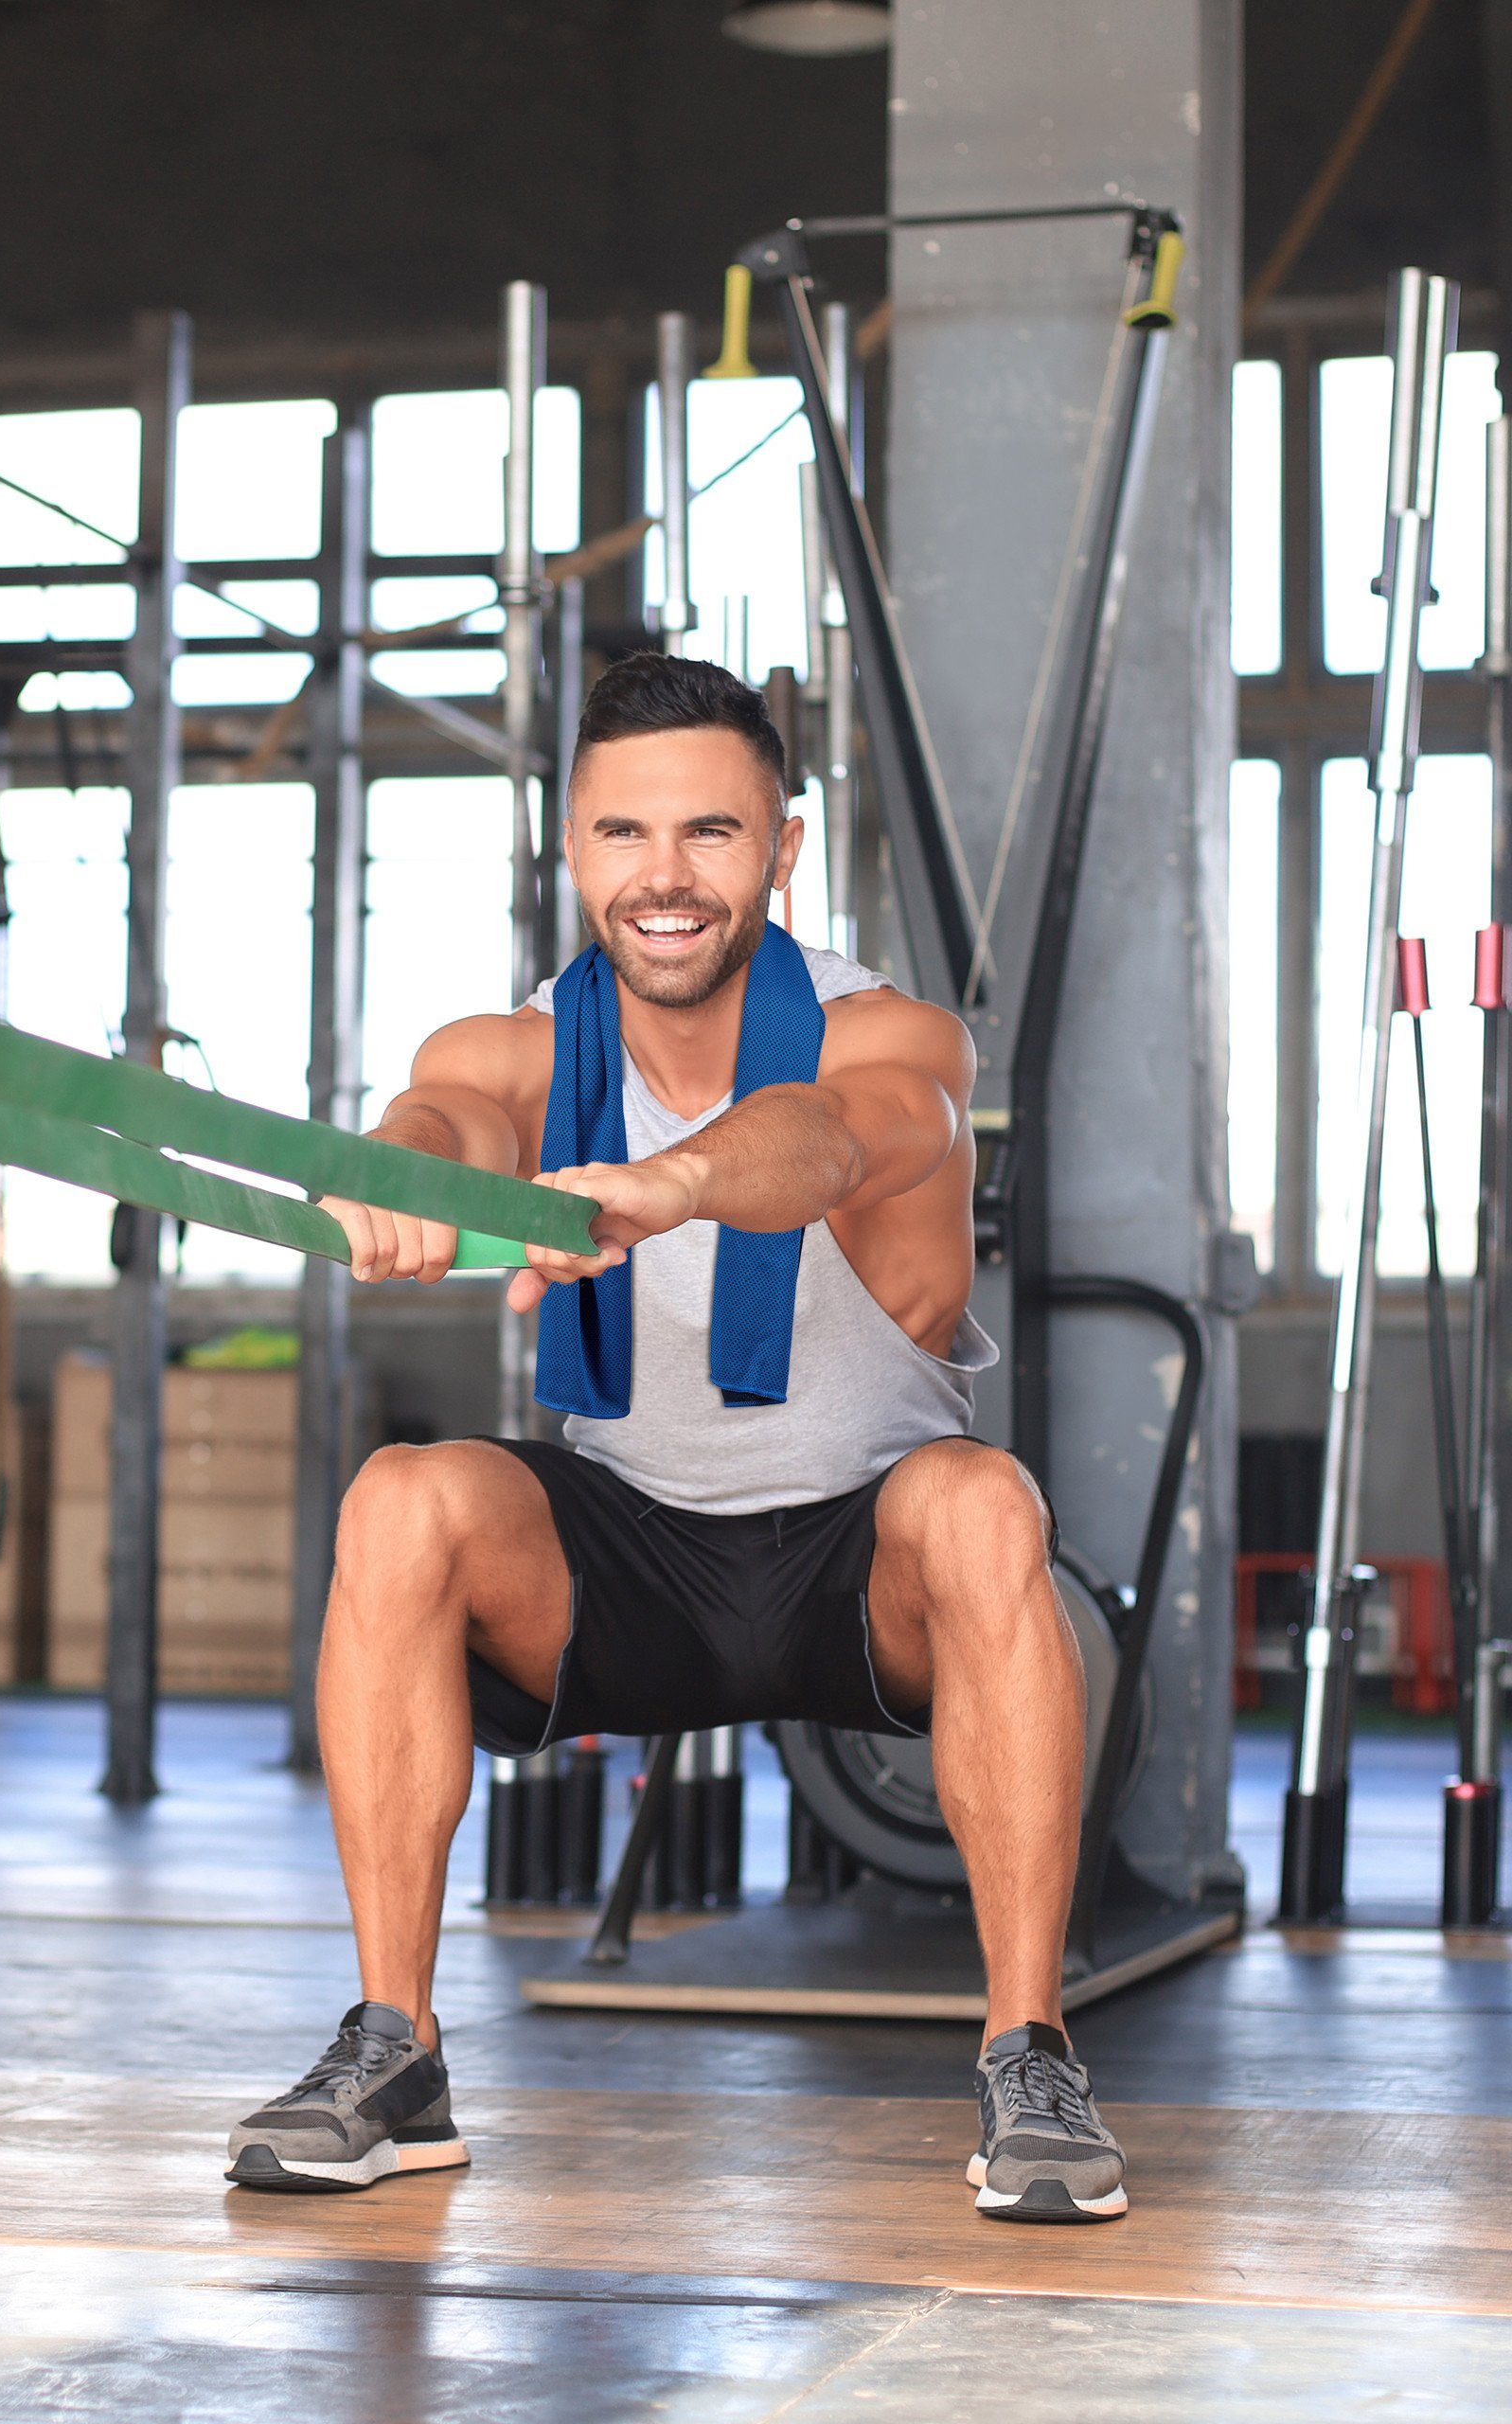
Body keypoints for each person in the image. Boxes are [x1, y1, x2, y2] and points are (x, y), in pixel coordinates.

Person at [227, 652, 1128, 2225]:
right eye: (622, 835)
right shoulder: (525, 1044)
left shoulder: (891, 1034)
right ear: (570, 848)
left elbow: (840, 1133)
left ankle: (1028, 2055)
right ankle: (398, 2049)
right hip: (629, 1556)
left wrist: (668, 1183)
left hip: (863, 1556)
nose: (665, 878)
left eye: (711, 834)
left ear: (782, 847)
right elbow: (447, 1113)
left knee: (987, 1501)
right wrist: (403, 1175)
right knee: (403, 1499)